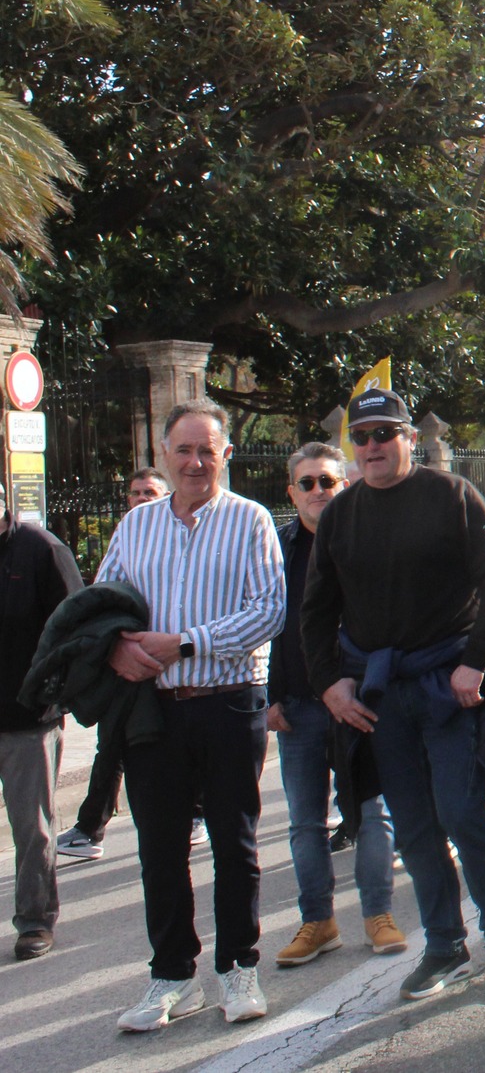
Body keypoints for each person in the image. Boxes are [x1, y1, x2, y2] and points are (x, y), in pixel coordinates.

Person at [301, 388, 485, 1003]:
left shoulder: (452, 495)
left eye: (384, 434)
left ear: (408, 438)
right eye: (362, 437)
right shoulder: (340, 516)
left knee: (462, 814)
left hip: (448, 687)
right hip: (380, 695)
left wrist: (475, 662)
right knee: (414, 828)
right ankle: (446, 945)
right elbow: (315, 610)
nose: (372, 445)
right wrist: (328, 683)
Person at [98, 400, 286, 1031]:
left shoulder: (251, 520)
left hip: (229, 702)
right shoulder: (137, 526)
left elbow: (268, 611)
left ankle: (238, 968)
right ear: (164, 453)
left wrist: (184, 643)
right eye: (184, 449)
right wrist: (118, 649)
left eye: (207, 450)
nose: (195, 462)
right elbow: (102, 602)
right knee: (159, 848)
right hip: (154, 711)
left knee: (235, 843)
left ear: (225, 454)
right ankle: (173, 975)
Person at [267, 443, 405, 969]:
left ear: (343, 486)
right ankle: (318, 922)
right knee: (306, 823)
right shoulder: (276, 549)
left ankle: (378, 914)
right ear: (292, 493)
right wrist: (270, 697)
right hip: (298, 706)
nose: (318, 491)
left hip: (358, 702)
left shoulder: (366, 537)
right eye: (307, 483)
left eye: (327, 481)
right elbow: (269, 625)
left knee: (371, 812)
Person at [56, 466, 170, 863]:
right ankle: (90, 828)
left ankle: (194, 812)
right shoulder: (125, 536)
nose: (140, 499)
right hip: (124, 661)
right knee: (111, 745)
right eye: (135, 493)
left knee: (164, 742)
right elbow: (104, 596)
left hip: (168, 660)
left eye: (149, 492)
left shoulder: (175, 537)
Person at [0, 502, 84, 960]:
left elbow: (77, 624)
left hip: (26, 719)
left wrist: (58, 692)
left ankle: (34, 920)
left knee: (32, 829)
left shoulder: (41, 548)